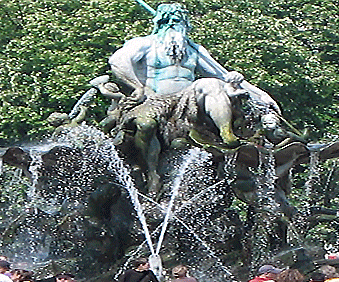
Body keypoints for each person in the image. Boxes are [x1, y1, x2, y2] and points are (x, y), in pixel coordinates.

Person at [107, 2, 279, 192]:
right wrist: (137, 87)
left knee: (211, 83)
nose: (173, 24)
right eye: (169, 20)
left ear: (185, 24)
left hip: (186, 101)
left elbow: (221, 74)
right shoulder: (144, 43)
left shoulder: (194, 50)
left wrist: (261, 95)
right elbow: (117, 61)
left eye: (178, 20)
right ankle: (149, 173)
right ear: (160, 22)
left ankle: (226, 133)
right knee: (145, 124)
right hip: (154, 98)